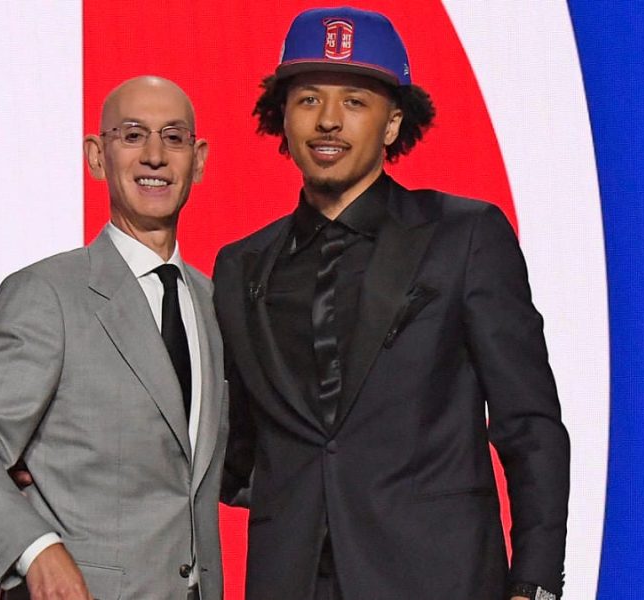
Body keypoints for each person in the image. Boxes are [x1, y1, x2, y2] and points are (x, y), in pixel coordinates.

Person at [213, 8, 569, 600]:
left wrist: (535, 581)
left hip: (438, 575)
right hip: (290, 578)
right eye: (307, 101)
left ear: (392, 122)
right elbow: (233, 448)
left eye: (354, 101)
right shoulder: (241, 265)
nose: (328, 121)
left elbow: (528, 423)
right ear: (281, 117)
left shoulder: (466, 236)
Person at [0, 75, 226, 600]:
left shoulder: (217, 303)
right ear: (96, 156)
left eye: (173, 138)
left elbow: (224, 461)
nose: (155, 156)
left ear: (197, 160)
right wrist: (36, 549)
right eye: (132, 135)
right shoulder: (49, 294)